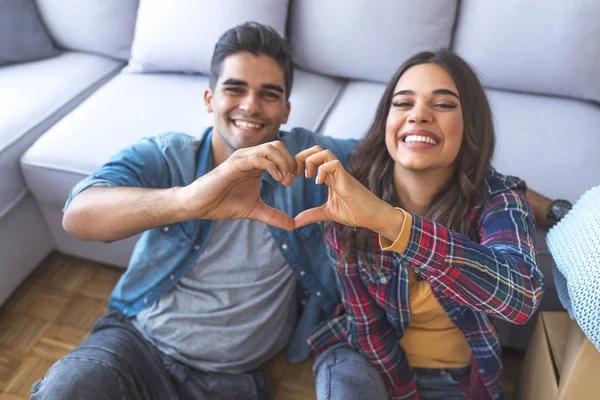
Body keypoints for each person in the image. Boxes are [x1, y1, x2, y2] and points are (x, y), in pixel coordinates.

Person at [29, 22, 376, 400]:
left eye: (269, 94)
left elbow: (387, 153)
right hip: (136, 347)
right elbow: (77, 215)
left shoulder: (307, 158)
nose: (250, 106)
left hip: (234, 380)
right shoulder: (167, 156)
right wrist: (187, 200)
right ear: (210, 98)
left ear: (286, 110)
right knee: (66, 390)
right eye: (235, 89)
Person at [296, 50, 544, 399]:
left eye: (443, 104)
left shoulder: (499, 198)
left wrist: (391, 223)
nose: (419, 115)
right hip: (365, 359)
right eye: (403, 103)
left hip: (461, 377)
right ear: (386, 120)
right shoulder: (349, 196)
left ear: (470, 122)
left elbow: (521, 297)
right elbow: (367, 326)